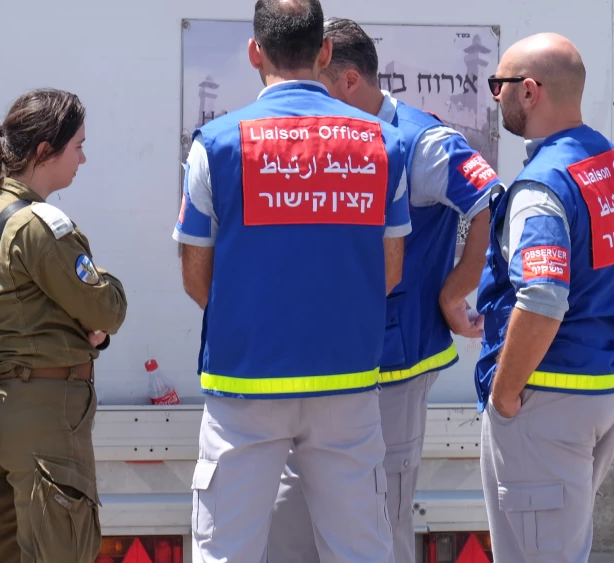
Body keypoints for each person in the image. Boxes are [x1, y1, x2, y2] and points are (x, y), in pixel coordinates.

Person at [172, 1, 412, 561]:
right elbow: (391, 270)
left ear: (255, 52)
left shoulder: (215, 143)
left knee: (227, 549)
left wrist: (253, 314)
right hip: (347, 381)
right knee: (359, 548)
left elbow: (194, 276)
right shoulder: (385, 143)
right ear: (325, 52)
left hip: (246, 383)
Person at [264, 17, 500, 563]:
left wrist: (455, 292)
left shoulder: (423, 143)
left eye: (314, 89)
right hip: (321, 362)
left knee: (379, 517)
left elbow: (494, 203)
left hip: (393, 366)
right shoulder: (325, 138)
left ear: (348, 82)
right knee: (297, 514)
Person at [476, 33, 614, 563]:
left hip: (547, 399)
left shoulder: (542, 186)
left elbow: (542, 297)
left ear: (529, 91)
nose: (495, 96)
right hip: (607, 389)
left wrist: (506, 396)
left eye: (500, 84)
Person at [0, 88, 128, 563]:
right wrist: (93, 320)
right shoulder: (37, 225)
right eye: (78, 146)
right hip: (47, 418)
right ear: (46, 151)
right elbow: (107, 309)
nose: (83, 159)